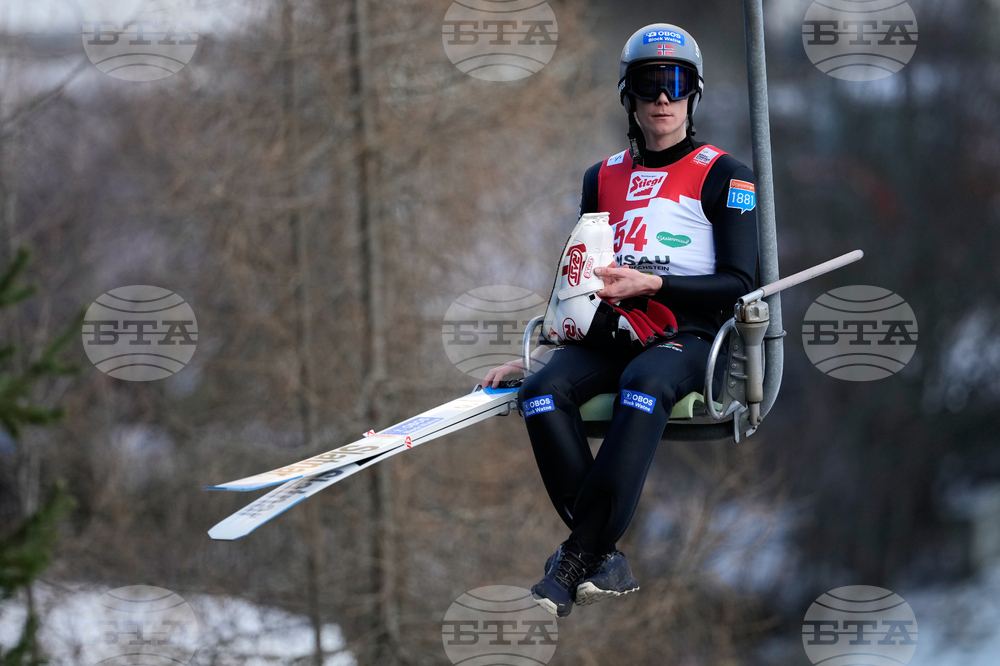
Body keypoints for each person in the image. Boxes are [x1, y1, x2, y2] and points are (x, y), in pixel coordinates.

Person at [484, 23, 759, 618]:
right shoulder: (601, 178)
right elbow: (581, 282)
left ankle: (573, 560)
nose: (662, 98)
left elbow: (741, 283)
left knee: (643, 384)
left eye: (675, 84)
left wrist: (655, 282)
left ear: (693, 95)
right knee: (540, 393)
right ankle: (601, 555)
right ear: (628, 96)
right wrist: (540, 350)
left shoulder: (726, 175)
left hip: (688, 336)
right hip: (613, 332)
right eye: (648, 84)